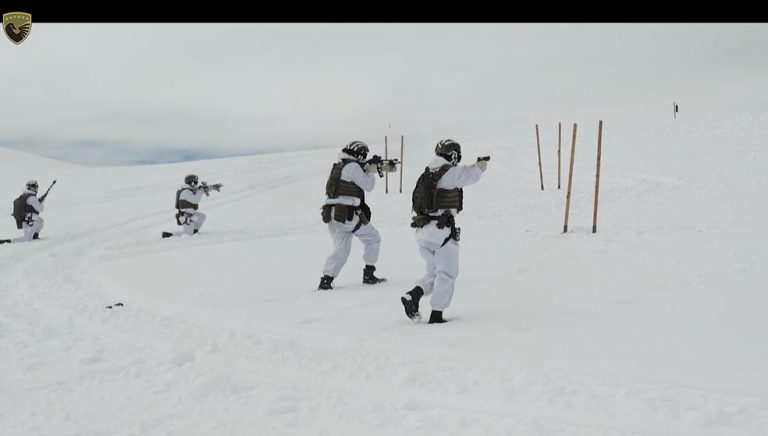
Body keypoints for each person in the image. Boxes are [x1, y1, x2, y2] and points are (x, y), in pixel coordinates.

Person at [400, 139, 489, 323]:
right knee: (447, 274)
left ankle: (414, 295)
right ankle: (437, 315)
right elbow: (470, 176)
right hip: (441, 232)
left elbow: (460, 173)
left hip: (423, 230)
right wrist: (480, 167)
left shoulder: (429, 172)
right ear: (453, 155)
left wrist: (473, 165)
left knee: (433, 272)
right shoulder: (451, 173)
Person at [318, 140, 386, 290]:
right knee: (373, 238)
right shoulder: (353, 167)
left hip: (334, 214)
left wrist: (366, 167)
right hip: (346, 215)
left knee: (342, 249)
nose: (364, 158)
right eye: (364, 155)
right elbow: (368, 186)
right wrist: (371, 171)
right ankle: (369, 274)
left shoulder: (341, 165)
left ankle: (326, 279)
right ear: (359, 154)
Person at [162, 174, 220, 238]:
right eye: (195, 182)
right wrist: (201, 190)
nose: (196, 184)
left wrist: (213, 187)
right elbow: (195, 200)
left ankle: (194, 231)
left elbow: (202, 190)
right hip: (186, 217)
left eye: (196, 182)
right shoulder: (185, 192)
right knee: (187, 236)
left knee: (201, 216)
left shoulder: (190, 190)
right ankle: (170, 236)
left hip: (191, 215)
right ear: (191, 183)